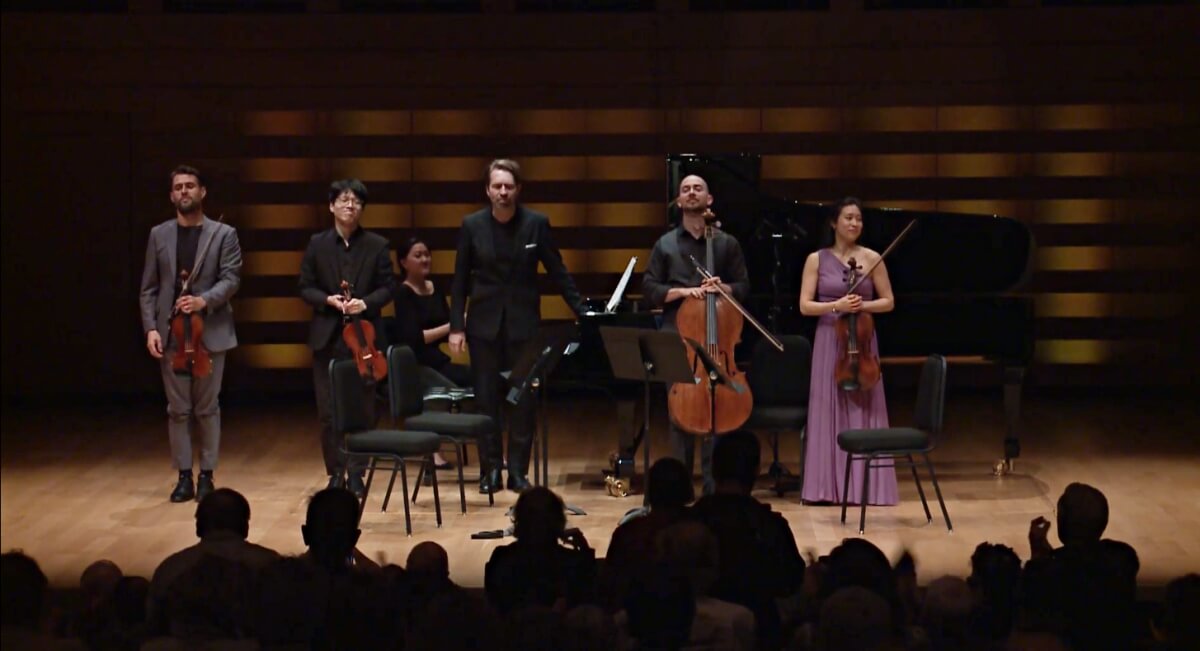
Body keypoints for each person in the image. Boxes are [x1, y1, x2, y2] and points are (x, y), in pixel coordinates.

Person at [448, 159, 584, 493]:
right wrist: (455, 326)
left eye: (509, 186)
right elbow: (460, 278)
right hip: (483, 325)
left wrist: (582, 310)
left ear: (518, 189)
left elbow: (558, 271)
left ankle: (518, 472)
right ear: (488, 190)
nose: (503, 192)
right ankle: (490, 470)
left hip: (524, 326)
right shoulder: (472, 225)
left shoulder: (536, 224)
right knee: (485, 400)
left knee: (523, 401)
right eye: (497, 186)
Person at [140, 165, 242, 503]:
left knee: (207, 408)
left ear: (202, 192)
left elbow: (231, 279)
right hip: (171, 333)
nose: (184, 191)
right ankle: (184, 476)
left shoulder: (223, 234)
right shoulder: (159, 234)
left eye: (190, 186)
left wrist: (203, 300)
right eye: (178, 187)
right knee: (177, 409)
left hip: (210, 332)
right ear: (171, 195)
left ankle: (207, 476)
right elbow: (149, 288)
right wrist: (151, 328)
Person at [642, 173, 749, 496]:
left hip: (719, 343)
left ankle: (717, 491)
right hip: (678, 339)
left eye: (698, 188)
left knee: (719, 418)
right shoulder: (666, 244)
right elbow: (650, 288)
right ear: (678, 200)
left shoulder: (726, 243)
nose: (691, 193)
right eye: (685, 189)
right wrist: (685, 293)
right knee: (680, 419)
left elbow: (744, 287)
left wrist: (723, 288)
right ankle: (680, 491)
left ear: (709, 199)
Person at [299, 179, 396, 497]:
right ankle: (335, 472)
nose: (349, 205)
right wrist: (328, 300)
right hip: (328, 336)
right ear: (331, 206)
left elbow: (388, 287)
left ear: (362, 208)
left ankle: (357, 472)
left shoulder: (377, 245)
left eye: (355, 201)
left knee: (363, 408)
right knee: (328, 412)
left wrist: (364, 303)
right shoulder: (317, 244)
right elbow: (305, 286)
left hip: (364, 337)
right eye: (343, 200)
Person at [798, 196, 898, 505]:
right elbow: (804, 306)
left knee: (864, 408)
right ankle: (826, 488)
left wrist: (861, 305)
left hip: (862, 341)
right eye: (848, 218)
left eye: (858, 219)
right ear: (833, 223)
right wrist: (836, 306)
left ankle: (866, 488)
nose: (854, 223)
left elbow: (889, 301)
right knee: (827, 408)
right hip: (830, 340)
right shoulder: (816, 259)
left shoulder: (872, 258)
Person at [390, 236, 471, 471]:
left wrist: (462, 327)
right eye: (418, 255)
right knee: (445, 389)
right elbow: (414, 338)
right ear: (404, 262)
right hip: (414, 365)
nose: (425, 259)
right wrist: (455, 325)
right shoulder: (402, 294)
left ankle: (490, 449)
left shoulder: (435, 288)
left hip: (436, 360)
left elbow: (448, 327)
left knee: (479, 378)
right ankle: (433, 452)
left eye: (427, 254)